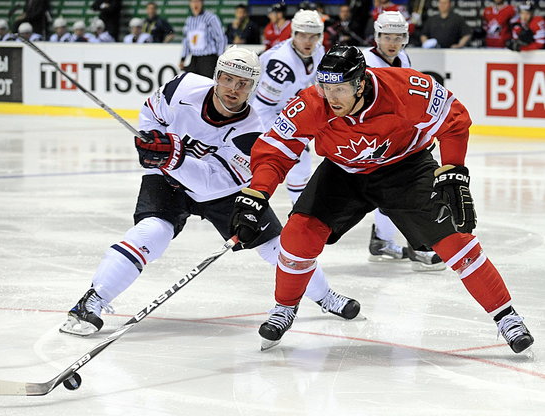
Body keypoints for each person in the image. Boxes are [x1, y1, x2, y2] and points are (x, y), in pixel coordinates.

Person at [229, 45, 534, 354]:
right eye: (325, 86)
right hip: (342, 173)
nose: (330, 97)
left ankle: (506, 316)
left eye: (340, 89)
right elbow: (276, 149)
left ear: (360, 83)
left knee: (456, 240)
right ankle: (284, 307)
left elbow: (454, 120)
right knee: (297, 234)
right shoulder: (313, 102)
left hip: (406, 168)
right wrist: (257, 193)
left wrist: (453, 169)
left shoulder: (405, 89)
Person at [60, 46, 359, 337]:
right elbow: (151, 113)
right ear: (216, 76)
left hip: (224, 192)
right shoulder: (183, 87)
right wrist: (153, 140)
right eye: (227, 78)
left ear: (253, 87)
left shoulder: (252, 132)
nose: (233, 88)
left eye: (243, 84)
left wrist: (172, 156)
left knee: (278, 247)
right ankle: (92, 300)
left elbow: (212, 182)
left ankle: (325, 296)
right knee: (152, 233)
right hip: (166, 179)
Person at [363, 11, 444, 272]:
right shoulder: (365, 61)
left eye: (398, 37)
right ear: (377, 36)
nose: (393, 42)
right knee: (398, 191)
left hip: (397, 137)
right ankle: (417, 245)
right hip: (373, 139)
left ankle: (382, 241)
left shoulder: (403, 58)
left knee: (392, 191)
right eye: (387, 36)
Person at [251, 9, 325, 205]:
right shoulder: (281, 63)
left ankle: (299, 211)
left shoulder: (319, 51)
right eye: (303, 35)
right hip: (263, 113)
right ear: (294, 34)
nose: (308, 41)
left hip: (283, 109)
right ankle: (299, 212)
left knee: (301, 162)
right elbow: (262, 107)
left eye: (313, 36)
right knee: (297, 160)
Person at [180, 0, 227, 79]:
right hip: (194, 58)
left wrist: (220, 57)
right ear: (190, 4)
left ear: (202, 3)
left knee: (208, 85)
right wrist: (183, 58)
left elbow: (221, 38)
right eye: (193, 2)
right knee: (191, 83)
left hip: (208, 59)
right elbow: (187, 41)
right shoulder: (189, 20)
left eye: (198, 1)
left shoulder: (210, 18)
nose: (195, 4)